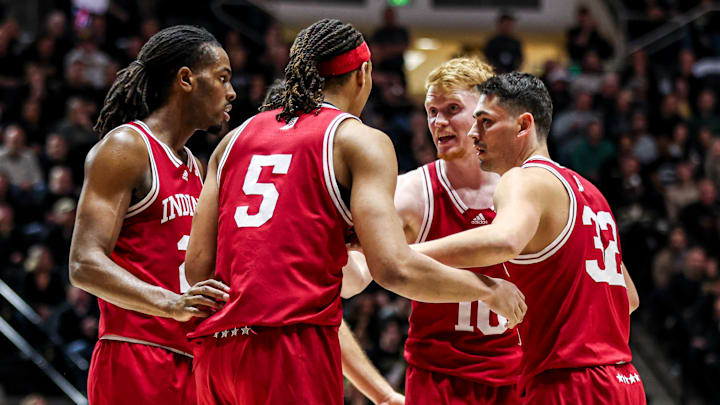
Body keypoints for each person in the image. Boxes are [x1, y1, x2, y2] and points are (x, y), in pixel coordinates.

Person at [185, 18, 526, 405]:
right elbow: (393, 269)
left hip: (217, 351)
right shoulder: (358, 141)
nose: (438, 122)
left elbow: (197, 269)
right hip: (292, 348)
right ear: (363, 73)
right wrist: (488, 289)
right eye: (433, 110)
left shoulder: (232, 140)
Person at [414, 72, 644, 404]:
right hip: (624, 380)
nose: (474, 134)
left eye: (486, 122)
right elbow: (630, 298)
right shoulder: (589, 192)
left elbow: (503, 241)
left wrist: (405, 253)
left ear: (523, 126)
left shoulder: (523, 179)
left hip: (567, 382)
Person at [68, 25, 234, 404]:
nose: (231, 92)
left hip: (193, 361)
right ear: (186, 79)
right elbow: (83, 263)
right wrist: (169, 303)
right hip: (137, 355)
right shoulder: (126, 147)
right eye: (222, 78)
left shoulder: (196, 166)